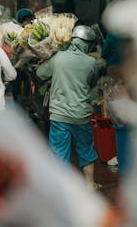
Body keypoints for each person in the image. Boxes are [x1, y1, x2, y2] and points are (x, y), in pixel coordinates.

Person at [36, 25, 99, 190]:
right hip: (81, 115)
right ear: (87, 44)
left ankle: (61, 189)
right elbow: (92, 83)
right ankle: (90, 184)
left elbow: (40, 74)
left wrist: (46, 60)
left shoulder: (58, 57)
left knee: (58, 152)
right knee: (86, 148)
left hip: (59, 115)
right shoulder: (91, 62)